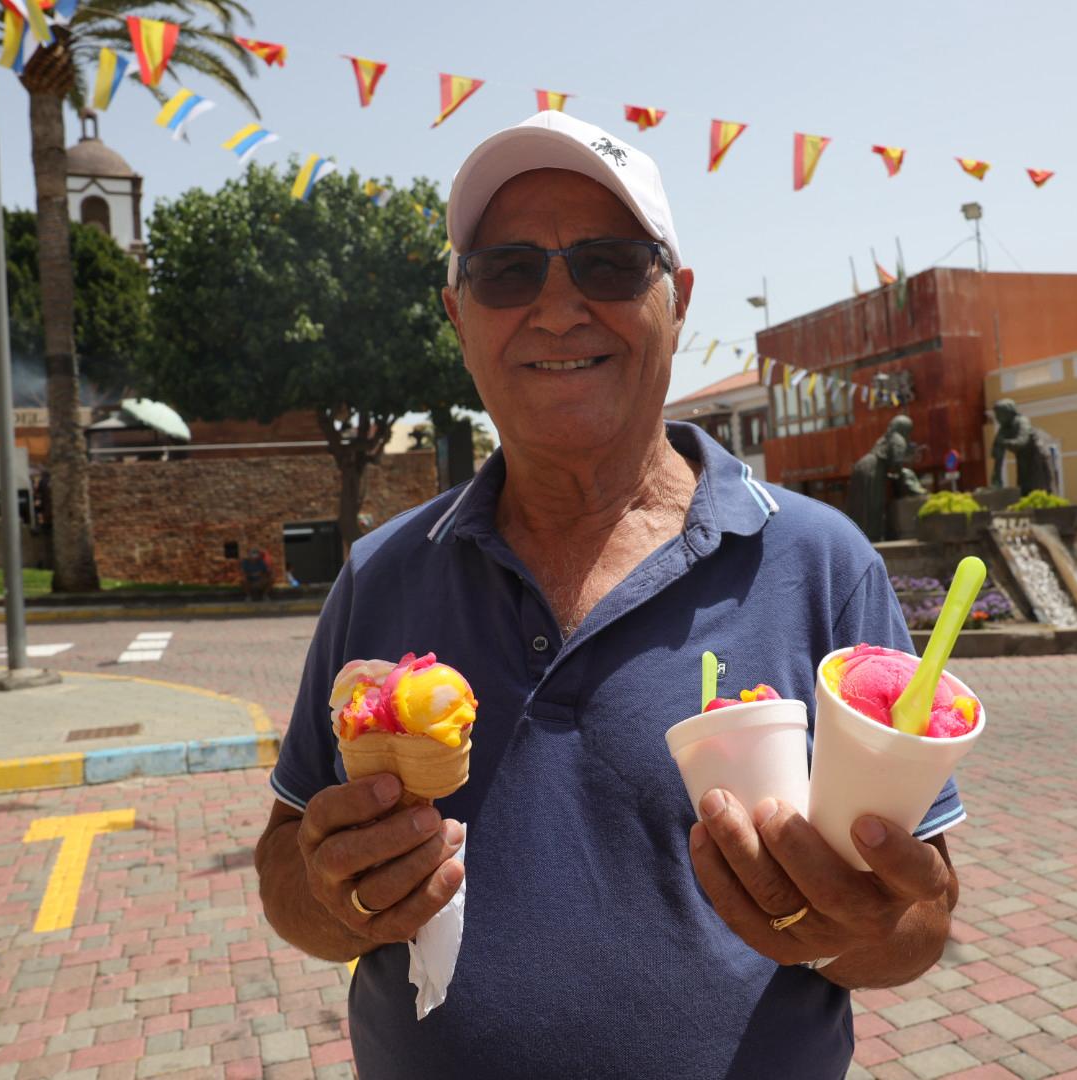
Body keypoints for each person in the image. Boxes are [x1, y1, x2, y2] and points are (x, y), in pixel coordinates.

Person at [253, 112, 962, 1080]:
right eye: (506, 272)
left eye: (611, 264)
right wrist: (334, 892)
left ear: (679, 299)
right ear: (460, 318)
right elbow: (286, 868)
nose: (556, 308)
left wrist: (851, 926)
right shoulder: (382, 575)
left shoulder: (822, 564)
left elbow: (919, 913)